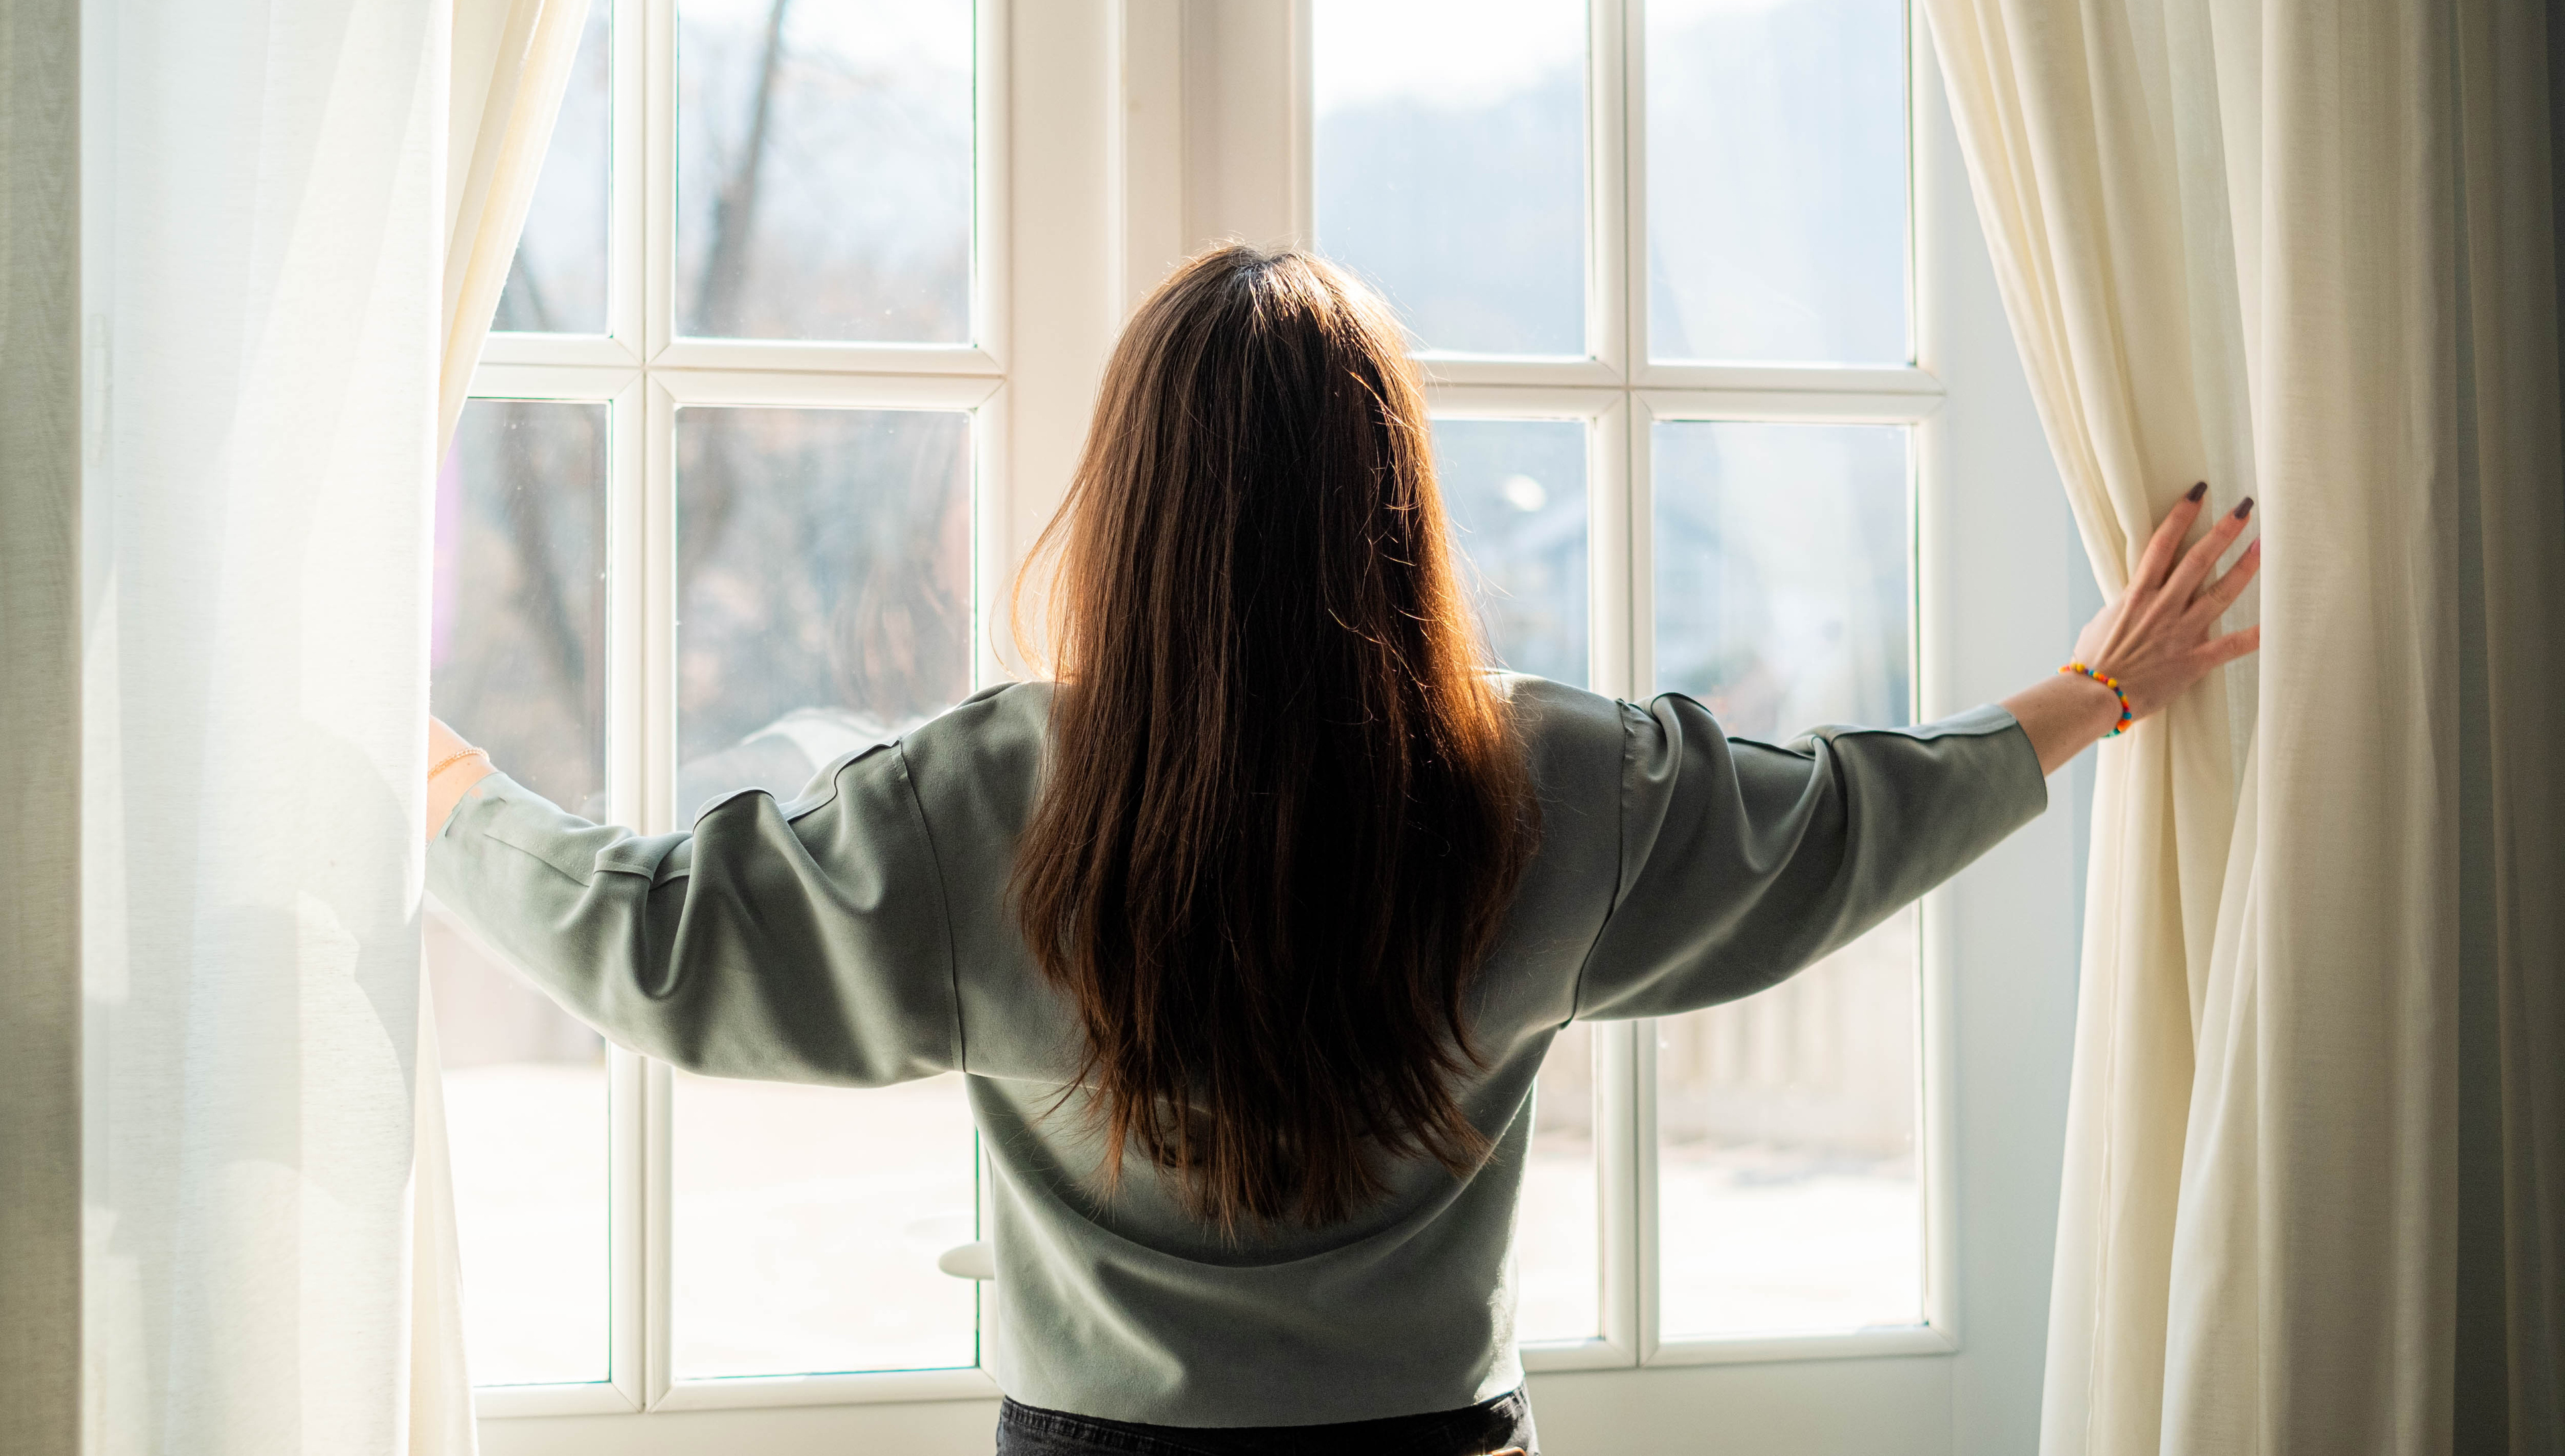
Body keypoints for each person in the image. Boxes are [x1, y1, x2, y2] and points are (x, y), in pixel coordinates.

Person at [425, 245, 2259, 1456]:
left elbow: (653, 947)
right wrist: (2097, 689)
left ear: (1131, 503)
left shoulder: (989, 798)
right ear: (1399, 501)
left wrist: (446, 798)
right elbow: (1848, 822)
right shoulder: (1564, 785)